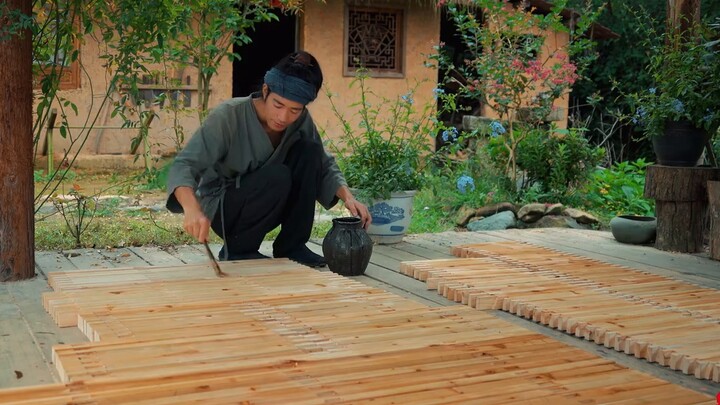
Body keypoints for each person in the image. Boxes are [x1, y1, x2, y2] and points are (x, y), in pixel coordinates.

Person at [165, 51, 371, 267]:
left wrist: (348, 197)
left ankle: (292, 247)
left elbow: (323, 162)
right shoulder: (229, 115)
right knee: (277, 175)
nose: (284, 117)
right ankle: (239, 250)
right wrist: (191, 208)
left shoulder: (300, 121)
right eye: (278, 105)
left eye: (294, 110)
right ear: (265, 90)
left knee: (309, 152)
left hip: (272, 198)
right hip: (224, 207)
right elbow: (185, 164)